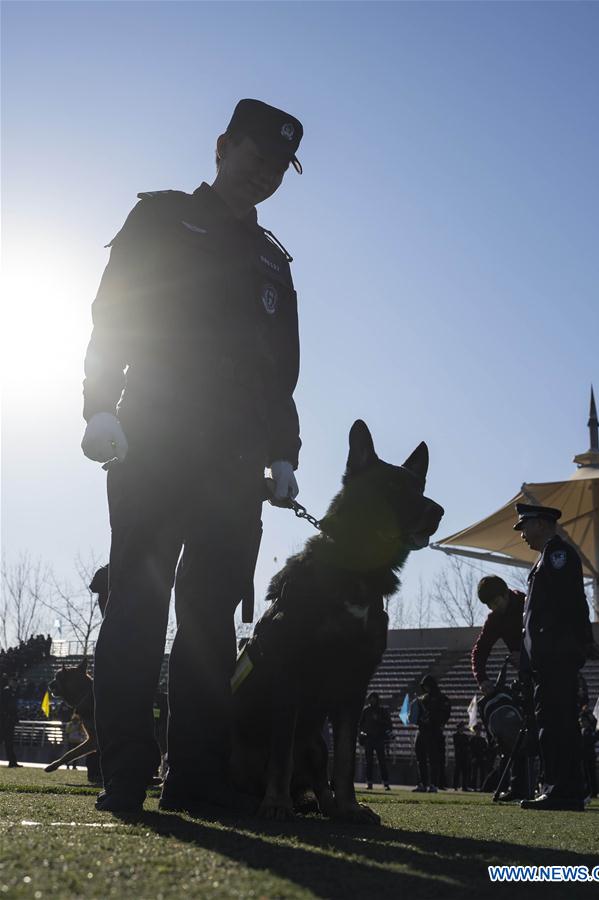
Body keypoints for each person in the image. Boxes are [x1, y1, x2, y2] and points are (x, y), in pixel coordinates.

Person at [81, 99, 304, 813]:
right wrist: (99, 406)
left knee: (211, 621)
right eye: (254, 156)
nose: (264, 174)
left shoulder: (272, 258)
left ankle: (197, 779)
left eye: (278, 166)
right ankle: (123, 775)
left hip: (233, 465)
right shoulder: (161, 217)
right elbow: (114, 313)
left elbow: (280, 370)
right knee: (138, 609)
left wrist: (283, 451)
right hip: (153, 442)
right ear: (222, 147)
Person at [513, 503, 593, 812]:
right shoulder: (545, 559)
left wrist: (581, 641)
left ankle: (561, 789)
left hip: (556, 654)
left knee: (556, 722)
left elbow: (571, 603)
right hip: (548, 655)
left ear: (543, 524)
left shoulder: (558, 556)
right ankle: (562, 787)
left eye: (525, 526)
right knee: (553, 721)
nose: (522, 534)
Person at [473, 575, 530, 801]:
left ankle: (552, 784)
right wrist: (482, 679)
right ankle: (518, 788)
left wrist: (525, 655)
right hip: (525, 676)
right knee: (516, 733)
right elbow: (480, 650)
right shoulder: (495, 619)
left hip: (547, 669)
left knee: (545, 730)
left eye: (495, 603)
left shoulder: (528, 604)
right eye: (488, 606)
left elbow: (545, 638)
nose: (492, 609)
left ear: (506, 594)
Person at [411, 674, 451, 793]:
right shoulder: (421, 699)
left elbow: (445, 715)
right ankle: (422, 783)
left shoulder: (442, 699)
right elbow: (415, 716)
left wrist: (433, 718)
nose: (426, 688)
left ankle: (433, 784)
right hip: (422, 731)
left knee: (434, 760)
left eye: (427, 686)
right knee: (420, 759)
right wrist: (419, 720)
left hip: (434, 732)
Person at [359, 692, 392, 791]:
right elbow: (361, 725)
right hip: (369, 739)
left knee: (382, 762)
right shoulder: (366, 711)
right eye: (371, 698)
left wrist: (379, 721)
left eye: (374, 698)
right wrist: (362, 736)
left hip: (379, 739)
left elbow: (388, 724)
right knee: (369, 762)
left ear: (377, 699)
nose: (372, 700)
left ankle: (386, 783)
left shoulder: (382, 711)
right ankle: (369, 783)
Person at [0, 676, 21, 768]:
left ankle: (12, 761)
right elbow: (4, 705)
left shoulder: (13, 692)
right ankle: (12, 761)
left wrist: (15, 717)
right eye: (14, 681)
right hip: (4, 720)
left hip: (9, 720)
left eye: (16, 682)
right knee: (7, 741)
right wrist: (6, 715)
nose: (15, 683)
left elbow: (13, 707)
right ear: (10, 682)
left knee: (9, 742)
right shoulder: (7, 691)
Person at [452, 723, 470, 791]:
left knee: (465, 772)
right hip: (459, 756)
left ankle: (464, 786)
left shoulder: (465, 736)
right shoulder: (455, 735)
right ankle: (455, 786)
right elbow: (458, 745)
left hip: (464, 756)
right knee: (457, 771)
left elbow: (467, 745)